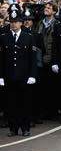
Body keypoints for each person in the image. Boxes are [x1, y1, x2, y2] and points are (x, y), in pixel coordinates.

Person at [0, 9, 37, 137]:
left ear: (21, 23)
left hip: (24, 76)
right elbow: (1, 59)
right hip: (9, 76)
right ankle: (13, 128)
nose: (13, 24)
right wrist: (1, 76)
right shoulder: (4, 37)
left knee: (25, 104)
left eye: (16, 22)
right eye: (11, 22)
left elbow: (33, 58)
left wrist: (32, 75)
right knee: (11, 104)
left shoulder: (29, 37)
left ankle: (25, 127)